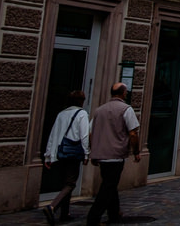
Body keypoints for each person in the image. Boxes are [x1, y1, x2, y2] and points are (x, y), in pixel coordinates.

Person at [86, 83, 140, 226]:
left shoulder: (99, 110)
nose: (126, 94)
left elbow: (90, 132)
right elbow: (133, 133)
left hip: (101, 155)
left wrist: (94, 150)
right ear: (123, 94)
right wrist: (136, 152)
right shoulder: (126, 109)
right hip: (116, 155)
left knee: (110, 184)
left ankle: (114, 214)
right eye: (125, 92)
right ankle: (93, 218)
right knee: (108, 186)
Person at [43, 90, 90, 224]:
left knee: (65, 183)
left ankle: (65, 213)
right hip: (73, 153)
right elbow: (84, 135)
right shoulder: (82, 113)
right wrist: (87, 153)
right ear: (81, 101)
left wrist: (48, 155)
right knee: (70, 183)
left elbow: (53, 135)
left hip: (60, 152)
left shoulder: (61, 114)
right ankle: (52, 206)